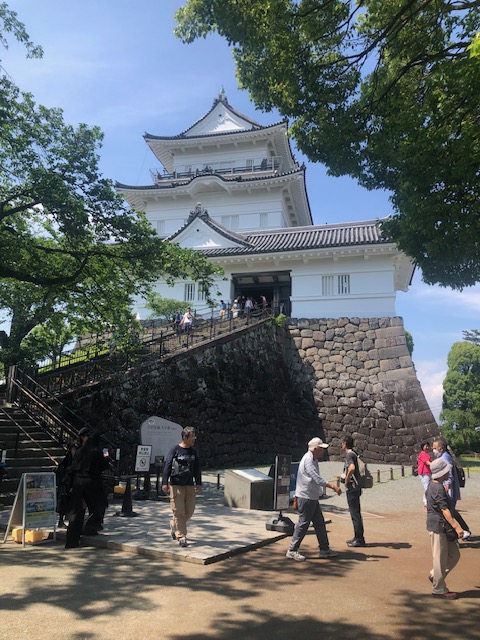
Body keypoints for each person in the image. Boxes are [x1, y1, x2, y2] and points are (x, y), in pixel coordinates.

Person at [286, 437, 341, 561]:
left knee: (319, 523)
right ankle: (292, 550)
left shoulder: (312, 459)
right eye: (321, 448)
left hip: (310, 497)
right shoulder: (308, 460)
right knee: (303, 524)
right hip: (306, 497)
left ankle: (324, 549)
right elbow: (317, 478)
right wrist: (333, 486)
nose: (323, 451)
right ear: (315, 449)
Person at [64, 428, 110, 549]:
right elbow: (103, 466)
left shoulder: (79, 451)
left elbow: (73, 468)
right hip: (91, 481)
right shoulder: (96, 451)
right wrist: (106, 456)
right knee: (99, 504)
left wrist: (70, 485)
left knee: (76, 511)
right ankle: (90, 526)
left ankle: (71, 541)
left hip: (77, 482)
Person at [426, 457, 464, 599]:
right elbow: (444, 509)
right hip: (438, 526)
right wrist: (456, 527)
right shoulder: (437, 488)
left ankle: (435, 575)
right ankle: (439, 589)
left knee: (454, 554)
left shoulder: (434, 485)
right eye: (447, 471)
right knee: (440, 558)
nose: (448, 472)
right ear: (442, 472)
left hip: (441, 526)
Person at [162, 426, 202, 548]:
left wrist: (199, 483)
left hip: (189, 485)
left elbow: (197, 468)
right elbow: (168, 466)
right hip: (176, 485)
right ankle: (181, 536)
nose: (194, 439)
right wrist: (164, 482)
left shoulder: (193, 451)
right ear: (185, 437)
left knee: (189, 511)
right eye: (192, 437)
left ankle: (174, 524)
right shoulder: (175, 450)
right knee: (179, 511)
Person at [432, 437, 471, 536]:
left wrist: (447, 485)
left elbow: (448, 474)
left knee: (448, 511)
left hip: (448, 488)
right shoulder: (446, 456)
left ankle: (458, 532)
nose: (433, 450)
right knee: (451, 510)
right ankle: (465, 530)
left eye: (435, 448)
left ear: (441, 448)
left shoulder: (445, 458)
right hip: (449, 486)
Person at [341, 435, 365, 547]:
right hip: (356, 487)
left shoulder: (349, 455)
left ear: (345, 444)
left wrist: (346, 479)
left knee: (355, 513)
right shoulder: (354, 453)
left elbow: (352, 468)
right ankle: (358, 537)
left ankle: (359, 539)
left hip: (352, 488)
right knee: (356, 513)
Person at [55, 440, 78, 528]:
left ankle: (70, 521)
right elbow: (62, 473)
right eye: (73, 449)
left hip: (73, 484)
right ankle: (61, 521)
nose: (75, 452)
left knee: (71, 504)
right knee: (63, 503)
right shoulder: (66, 461)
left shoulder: (76, 461)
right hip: (65, 486)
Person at [417, 439, 432, 509]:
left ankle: (427, 502)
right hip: (424, 473)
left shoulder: (426, 454)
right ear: (422, 447)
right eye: (426, 446)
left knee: (428, 488)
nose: (427, 447)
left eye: (428, 446)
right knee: (427, 488)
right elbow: (428, 463)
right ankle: (426, 503)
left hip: (428, 473)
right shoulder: (423, 454)